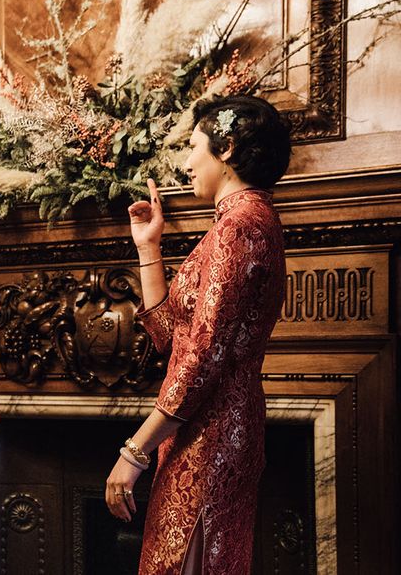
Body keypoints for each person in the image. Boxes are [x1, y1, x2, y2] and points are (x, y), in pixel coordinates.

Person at [105, 95, 291, 574]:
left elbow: (203, 354)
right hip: (199, 425)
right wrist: (149, 247)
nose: (186, 164)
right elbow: (174, 337)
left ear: (225, 148)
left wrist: (134, 452)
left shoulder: (242, 224)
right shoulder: (236, 222)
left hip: (213, 429)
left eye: (194, 148)